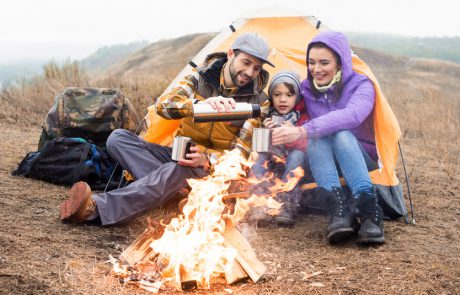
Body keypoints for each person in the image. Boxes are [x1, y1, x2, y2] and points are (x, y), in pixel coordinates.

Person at [59, 32, 274, 226]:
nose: (249, 72)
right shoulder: (199, 78)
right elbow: (164, 106)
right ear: (230, 54)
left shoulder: (258, 102)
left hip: (210, 171)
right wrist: (200, 106)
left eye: (256, 68)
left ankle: (97, 208)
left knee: (179, 168)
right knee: (117, 138)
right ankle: (175, 195)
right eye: (246, 62)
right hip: (177, 155)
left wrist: (207, 160)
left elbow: (241, 153)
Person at [271, 31, 384, 244]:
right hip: (324, 162)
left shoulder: (362, 85)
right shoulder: (306, 88)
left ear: (340, 63)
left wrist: (304, 130)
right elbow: (285, 103)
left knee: (339, 134)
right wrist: (278, 122)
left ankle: (370, 211)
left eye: (324, 62)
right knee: (316, 137)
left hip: (359, 157)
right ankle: (338, 209)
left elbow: (352, 115)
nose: (316, 69)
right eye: (311, 62)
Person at [247, 70, 309, 226]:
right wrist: (266, 132)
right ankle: (259, 203)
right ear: (271, 96)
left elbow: (308, 147)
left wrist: (293, 134)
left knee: (297, 155)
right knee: (259, 155)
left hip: (293, 168)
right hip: (272, 167)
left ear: (297, 97)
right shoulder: (265, 114)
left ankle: (287, 204)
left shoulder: (303, 118)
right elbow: (254, 145)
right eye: (277, 94)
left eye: (289, 95)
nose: (283, 99)